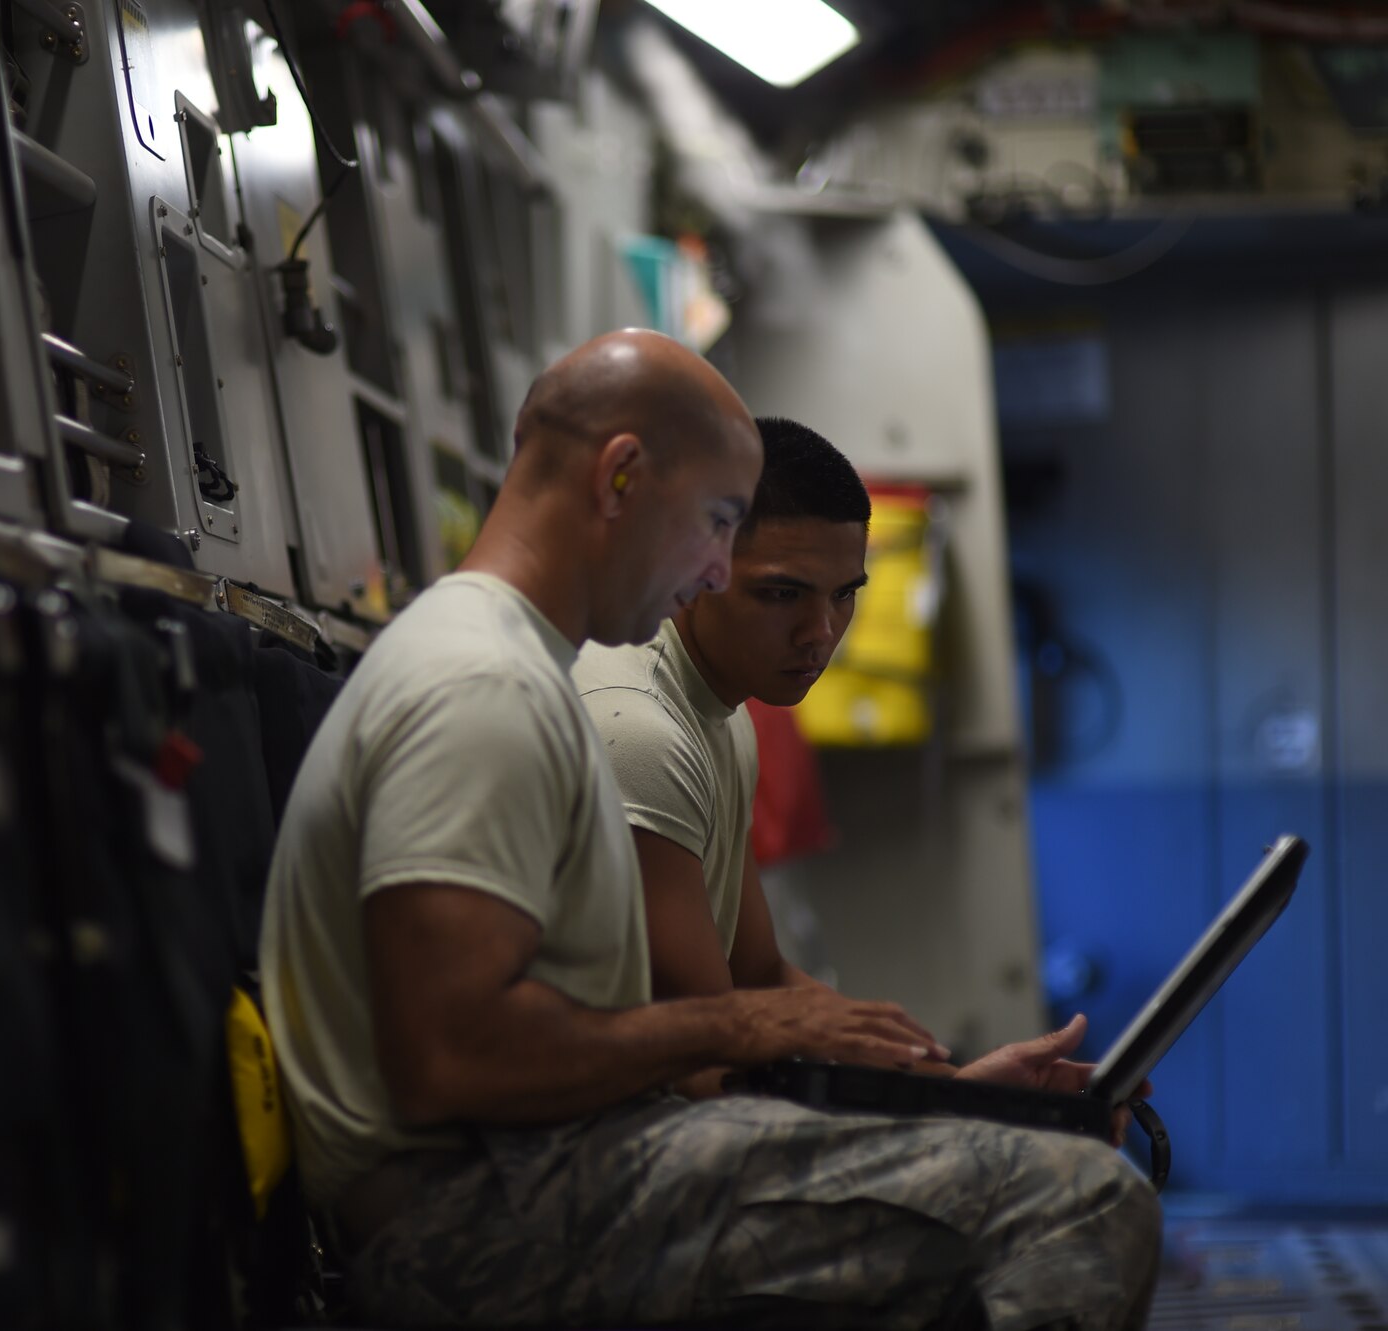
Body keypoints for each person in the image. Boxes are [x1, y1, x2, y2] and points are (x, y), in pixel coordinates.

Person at [258, 338, 1160, 1328]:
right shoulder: (484, 687)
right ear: (620, 478)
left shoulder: (513, 668)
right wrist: (738, 1022)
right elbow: (449, 1055)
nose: (716, 568)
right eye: (719, 522)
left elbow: (750, 987)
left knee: (1027, 1174)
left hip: (538, 1170)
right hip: (465, 1215)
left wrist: (959, 1096)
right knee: (1077, 1200)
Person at [574, 417, 1127, 1095]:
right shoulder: (637, 728)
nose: (821, 634)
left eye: (845, 596)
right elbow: (703, 1060)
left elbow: (760, 976)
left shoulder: (724, 715)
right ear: (698, 564)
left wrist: (964, 1087)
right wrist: (943, 1117)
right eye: (782, 594)